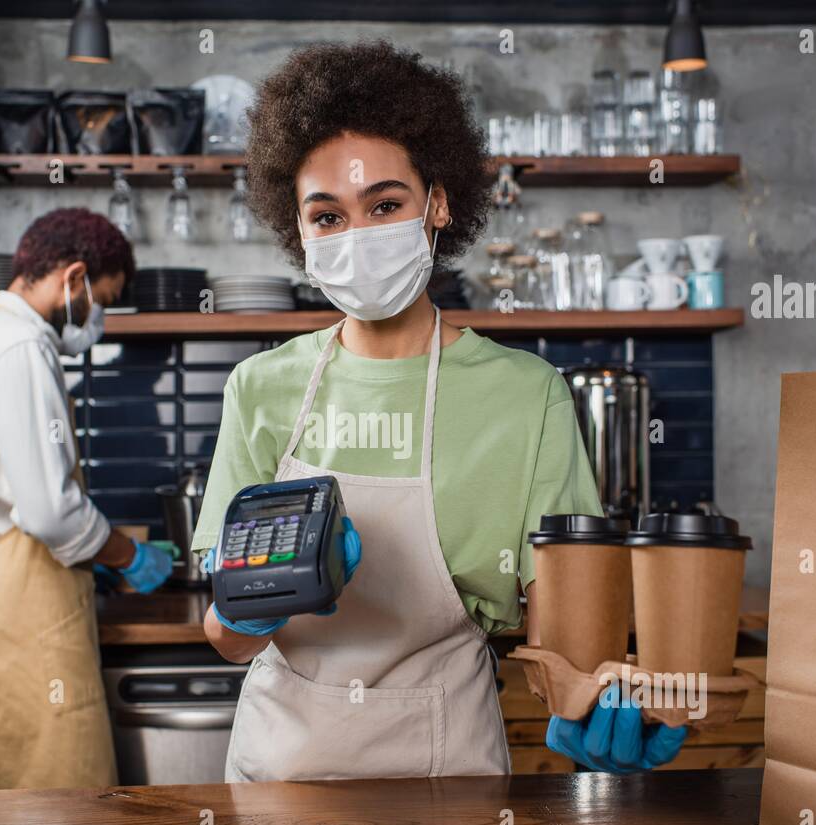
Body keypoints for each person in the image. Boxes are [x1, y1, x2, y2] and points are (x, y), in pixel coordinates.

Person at [191, 40, 686, 782]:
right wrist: (252, 604)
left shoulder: (527, 396)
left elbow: (562, 637)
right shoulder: (260, 388)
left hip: (450, 780)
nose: (357, 236)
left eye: (385, 204)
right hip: (280, 782)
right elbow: (226, 639)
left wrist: (587, 702)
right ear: (301, 235)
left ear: (439, 203)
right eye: (327, 217)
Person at [0, 208, 173, 791]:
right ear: (73, 279)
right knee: (48, 822)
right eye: (102, 298)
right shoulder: (21, 347)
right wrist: (130, 557)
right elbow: (51, 512)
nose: (99, 317)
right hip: (14, 626)